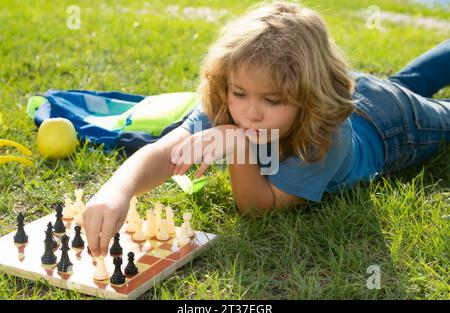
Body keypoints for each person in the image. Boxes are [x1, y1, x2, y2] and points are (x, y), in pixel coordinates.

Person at [82, 1, 450, 257]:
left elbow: (258, 207)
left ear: (308, 98)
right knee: (408, 79)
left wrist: (238, 143)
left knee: (435, 109)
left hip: (394, 127)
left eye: (272, 101)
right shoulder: (231, 100)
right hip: (362, 90)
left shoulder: (323, 135)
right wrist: (118, 190)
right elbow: (167, 150)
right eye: (240, 93)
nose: (251, 113)